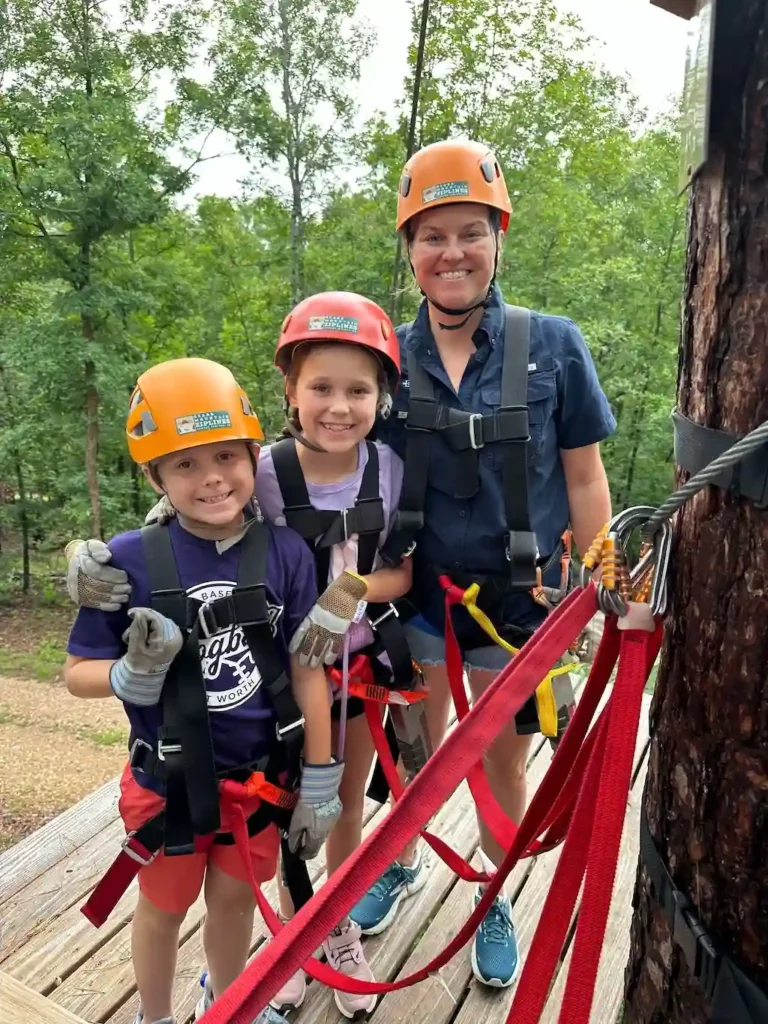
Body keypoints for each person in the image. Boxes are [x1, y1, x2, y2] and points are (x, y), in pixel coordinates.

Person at [64, 295, 416, 1021]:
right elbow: (77, 674)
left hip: (259, 780)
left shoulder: (287, 549)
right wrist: (124, 675)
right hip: (167, 778)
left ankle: (229, 1004)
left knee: (233, 904)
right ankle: (154, 1014)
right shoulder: (133, 558)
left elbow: (304, 666)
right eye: (186, 465)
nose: (214, 478)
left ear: (252, 457)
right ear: (156, 475)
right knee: (161, 906)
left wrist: (319, 776)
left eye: (227, 457)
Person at [348, 139, 615, 990]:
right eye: (432, 235)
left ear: (498, 237)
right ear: (410, 249)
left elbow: (583, 473)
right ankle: (403, 860)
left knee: (499, 759)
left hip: (515, 604)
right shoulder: (383, 360)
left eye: (470, 231)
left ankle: (494, 894)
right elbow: (326, 452)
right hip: (419, 599)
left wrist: (602, 575)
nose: (451, 252)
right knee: (418, 748)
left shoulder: (553, 347)